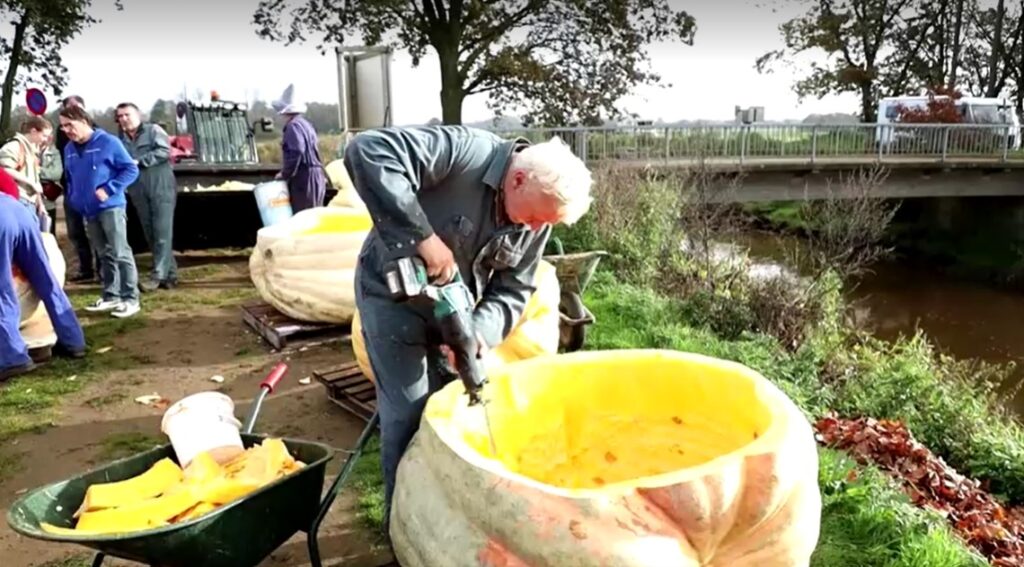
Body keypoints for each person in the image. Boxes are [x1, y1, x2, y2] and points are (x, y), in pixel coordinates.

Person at [344, 125, 593, 527]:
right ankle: (403, 526)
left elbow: (514, 289)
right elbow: (368, 151)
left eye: (541, 224)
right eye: (532, 217)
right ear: (517, 179)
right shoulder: (464, 152)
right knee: (408, 413)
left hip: (453, 310)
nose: (532, 230)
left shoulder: (537, 217)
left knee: (455, 410)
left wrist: (479, 332)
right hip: (391, 297)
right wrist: (422, 237)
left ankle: (453, 519)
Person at [0, 168, 87, 381]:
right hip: (17, 210)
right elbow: (10, 188)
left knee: (2, 292)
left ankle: (13, 358)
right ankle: (74, 341)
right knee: (46, 280)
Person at [59, 105, 142, 319]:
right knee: (103, 254)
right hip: (88, 210)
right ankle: (110, 295)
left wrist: (109, 188)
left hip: (111, 207)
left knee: (120, 251)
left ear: (84, 121)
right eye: (62, 126)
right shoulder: (68, 149)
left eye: (70, 124)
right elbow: (70, 178)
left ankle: (130, 298)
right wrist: (75, 198)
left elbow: (131, 169)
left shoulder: (109, 143)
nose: (66, 130)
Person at [116, 102, 179, 292]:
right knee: (150, 233)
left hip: (161, 186)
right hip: (138, 189)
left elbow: (164, 151)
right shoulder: (121, 139)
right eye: (120, 117)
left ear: (138, 115)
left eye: (127, 115)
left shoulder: (153, 131)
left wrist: (139, 161)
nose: (124, 119)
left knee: (162, 232)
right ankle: (171, 275)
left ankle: (157, 276)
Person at [55, 95, 98, 283]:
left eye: (77, 109)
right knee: (75, 231)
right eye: (69, 109)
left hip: (92, 190)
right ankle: (85, 268)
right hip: (71, 188)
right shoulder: (61, 133)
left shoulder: (97, 133)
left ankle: (104, 271)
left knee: (97, 231)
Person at [272, 84, 327, 212]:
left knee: (303, 219)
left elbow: (297, 150)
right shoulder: (306, 125)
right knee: (314, 216)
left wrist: (285, 174)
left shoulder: (293, 126)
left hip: (304, 178)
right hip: (316, 175)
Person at [0, 116, 52, 225]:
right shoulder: (13, 147)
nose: (45, 139)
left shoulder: (32, 151)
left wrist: (40, 204)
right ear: (33, 131)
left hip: (31, 201)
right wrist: (31, 182)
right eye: (44, 135)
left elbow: (35, 178)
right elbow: (4, 170)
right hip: (18, 199)